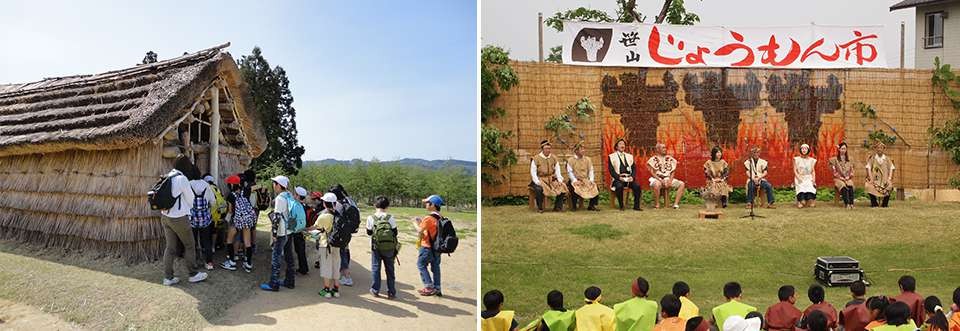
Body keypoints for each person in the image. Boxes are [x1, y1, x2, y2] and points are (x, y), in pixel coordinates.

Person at [159, 155, 207, 286]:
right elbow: (191, 199)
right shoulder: (182, 179)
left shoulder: (167, 176)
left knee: (170, 247)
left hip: (165, 216)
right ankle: (193, 274)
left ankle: (168, 277)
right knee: (189, 245)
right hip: (179, 217)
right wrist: (188, 208)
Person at [259, 176, 296, 292]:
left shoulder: (280, 198)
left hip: (281, 232)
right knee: (289, 257)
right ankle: (290, 281)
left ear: (279, 185)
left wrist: (274, 235)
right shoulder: (289, 195)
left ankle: (274, 284)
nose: (273, 186)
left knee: (276, 257)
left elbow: (277, 217)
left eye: (274, 183)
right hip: (289, 230)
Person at [221, 174, 255, 273]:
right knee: (247, 242)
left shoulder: (231, 195)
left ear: (231, 185)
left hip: (236, 220)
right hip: (247, 219)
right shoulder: (245, 192)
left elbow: (230, 211)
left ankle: (231, 262)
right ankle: (248, 264)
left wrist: (226, 219)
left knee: (229, 240)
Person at [309, 192, 341, 298]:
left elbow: (314, 228)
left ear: (324, 203)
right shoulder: (339, 215)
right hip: (337, 244)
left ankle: (326, 290)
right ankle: (336, 289)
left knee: (326, 267)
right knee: (336, 266)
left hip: (325, 244)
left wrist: (304, 229)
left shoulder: (323, 216)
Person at [367, 196, 398, 299]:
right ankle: (391, 292)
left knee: (376, 268)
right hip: (389, 247)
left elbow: (369, 232)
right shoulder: (390, 217)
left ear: (375, 205)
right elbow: (395, 232)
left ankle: (375, 290)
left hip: (376, 246)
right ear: (387, 206)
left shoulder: (371, 218)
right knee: (390, 269)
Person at [414, 194, 444, 296]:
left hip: (427, 247)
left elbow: (420, 231)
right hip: (437, 248)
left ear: (433, 205)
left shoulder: (429, 218)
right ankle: (437, 287)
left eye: (427, 203)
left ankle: (428, 287)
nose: (426, 204)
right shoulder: (440, 217)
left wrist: (415, 223)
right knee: (436, 267)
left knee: (421, 265)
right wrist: (421, 223)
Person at [188, 171, 217, 270]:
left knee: (192, 242)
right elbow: (213, 202)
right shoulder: (206, 185)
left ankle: (194, 262)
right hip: (205, 219)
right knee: (206, 241)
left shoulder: (189, 184)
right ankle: (209, 263)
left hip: (192, 218)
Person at [530, 140, 567, 213]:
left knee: (562, 187)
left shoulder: (554, 158)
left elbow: (557, 170)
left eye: (549, 148)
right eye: (546, 148)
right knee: (539, 189)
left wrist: (559, 180)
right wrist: (537, 181)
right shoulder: (536, 158)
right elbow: (533, 172)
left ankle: (557, 207)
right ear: (542, 149)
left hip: (551, 179)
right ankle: (540, 208)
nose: (548, 150)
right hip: (540, 179)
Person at [648, 143, 686, 209]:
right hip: (657, 178)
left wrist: (670, 181)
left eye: (665, 148)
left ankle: (676, 204)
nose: (665, 149)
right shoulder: (652, 159)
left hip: (668, 178)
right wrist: (660, 180)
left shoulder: (670, 159)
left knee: (682, 184)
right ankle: (657, 204)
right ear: (658, 149)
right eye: (663, 148)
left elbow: (673, 171)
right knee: (657, 184)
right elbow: (652, 172)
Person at [609, 138, 642, 211]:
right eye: (620, 144)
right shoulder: (611, 156)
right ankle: (621, 206)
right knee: (619, 186)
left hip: (629, 178)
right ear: (616, 146)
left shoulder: (629, 156)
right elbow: (611, 171)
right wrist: (619, 177)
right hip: (618, 179)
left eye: (623, 144)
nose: (622, 145)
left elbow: (634, 168)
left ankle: (636, 206)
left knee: (637, 186)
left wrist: (632, 177)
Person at [567, 142, 600, 211]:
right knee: (574, 189)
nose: (583, 150)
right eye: (581, 149)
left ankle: (591, 205)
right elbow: (570, 172)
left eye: (583, 149)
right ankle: (574, 206)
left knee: (595, 187)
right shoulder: (571, 160)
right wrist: (575, 181)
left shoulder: (587, 159)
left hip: (585, 180)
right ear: (576, 151)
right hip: (575, 180)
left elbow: (591, 170)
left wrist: (591, 180)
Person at [865, 141, 896, 207]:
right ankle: (874, 203)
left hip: (884, 180)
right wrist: (871, 179)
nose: (879, 149)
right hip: (875, 180)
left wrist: (889, 179)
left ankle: (884, 204)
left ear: (883, 149)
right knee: (868, 186)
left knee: (889, 186)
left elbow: (892, 168)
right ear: (876, 149)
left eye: (881, 148)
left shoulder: (887, 159)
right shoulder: (873, 158)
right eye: (878, 148)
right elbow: (868, 167)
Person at [290, 186, 311, 275]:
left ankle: (303, 269)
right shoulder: (303, 206)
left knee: (299, 251)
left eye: (295, 194)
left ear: (298, 196)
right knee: (301, 250)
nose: (294, 195)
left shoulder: (296, 205)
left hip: (297, 231)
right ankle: (304, 268)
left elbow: (292, 218)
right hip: (302, 231)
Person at [830, 142, 856, 208]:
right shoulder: (834, 160)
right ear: (839, 149)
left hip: (847, 178)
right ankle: (847, 203)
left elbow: (852, 170)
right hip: (838, 178)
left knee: (850, 185)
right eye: (842, 149)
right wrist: (840, 177)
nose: (843, 150)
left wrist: (849, 177)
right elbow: (834, 171)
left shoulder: (850, 159)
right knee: (843, 186)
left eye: (844, 149)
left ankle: (851, 203)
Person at [793, 143, 817, 208]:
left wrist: (813, 179)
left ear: (808, 150)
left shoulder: (811, 160)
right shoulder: (796, 159)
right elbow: (795, 170)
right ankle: (800, 200)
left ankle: (810, 199)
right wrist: (798, 177)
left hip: (808, 177)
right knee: (801, 187)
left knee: (810, 186)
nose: (804, 150)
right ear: (800, 150)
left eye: (805, 149)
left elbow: (813, 171)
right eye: (802, 148)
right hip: (800, 176)